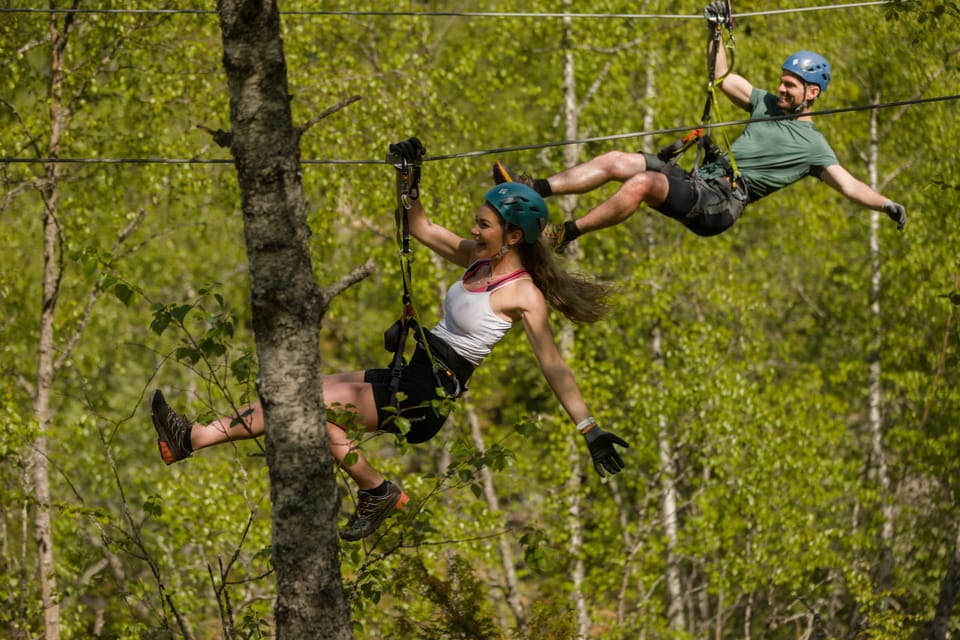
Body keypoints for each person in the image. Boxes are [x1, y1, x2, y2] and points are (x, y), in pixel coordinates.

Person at [149, 137, 629, 542]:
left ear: (513, 236)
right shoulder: (476, 261)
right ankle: (192, 438)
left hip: (425, 395)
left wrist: (589, 429)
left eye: (483, 224)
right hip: (412, 372)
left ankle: (377, 490)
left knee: (305, 406)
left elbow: (554, 366)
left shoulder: (523, 293)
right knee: (299, 399)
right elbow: (419, 225)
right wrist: (407, 179)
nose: (472, 228)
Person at [492, 1, 908, 248]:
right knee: (622, 160)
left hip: (720, 205)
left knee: (642, 186)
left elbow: (850, 185)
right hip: (702, 180)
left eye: (790, 85)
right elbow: (723, 77)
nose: (780, 88)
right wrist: (715, 31)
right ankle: (534, 190)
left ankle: (561, 236)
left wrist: (886, 204)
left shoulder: (814, 147)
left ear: (812, 93)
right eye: (781, 81)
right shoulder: (764, 103)